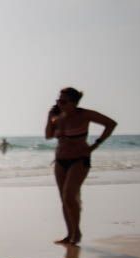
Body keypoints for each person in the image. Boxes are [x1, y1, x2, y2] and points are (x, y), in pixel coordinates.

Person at [45, 87, 116, 246]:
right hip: (60, 161)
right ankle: (69, 234)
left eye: (63, 101)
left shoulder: (85, 115)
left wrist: (95, 145)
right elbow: (48, 135)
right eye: (58, 100)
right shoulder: (57, 117)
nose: (59, 104)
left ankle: (76, 232)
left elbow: (111, 124)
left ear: (74, 103)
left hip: (79, 159)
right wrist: (50, 117)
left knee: (69, 196)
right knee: (64, 199)